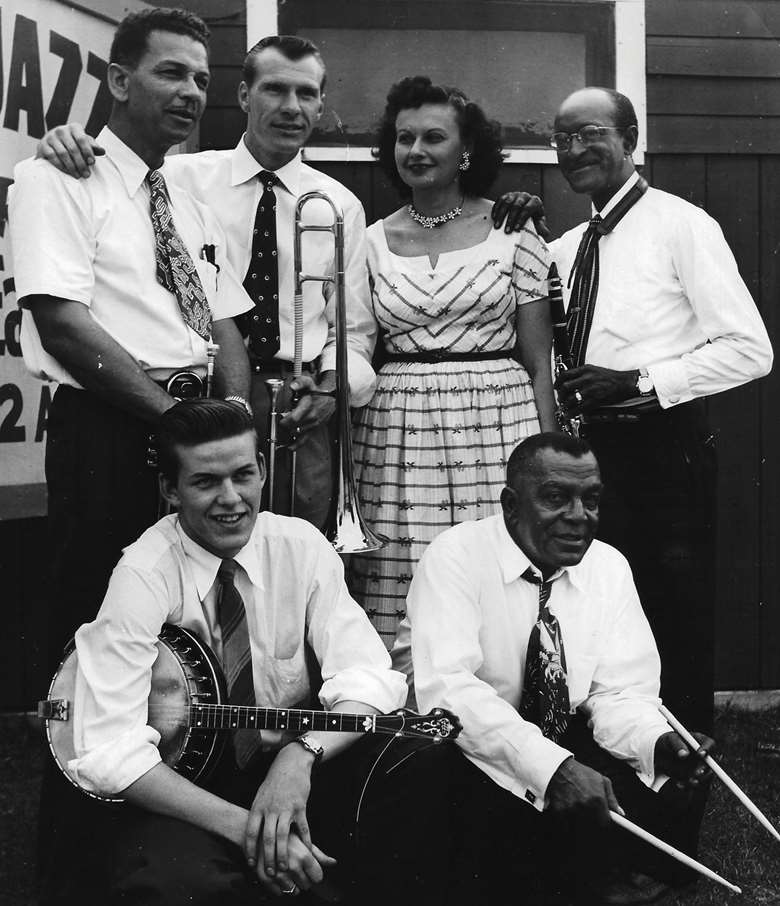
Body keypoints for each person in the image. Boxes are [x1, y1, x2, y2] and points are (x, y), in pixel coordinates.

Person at [53, 398, 454, 905]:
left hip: (299, 766)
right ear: (169, 489)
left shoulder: (300, 545)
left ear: (263, 469)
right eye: (205, 482)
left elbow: (367, 677)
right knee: (177, 883)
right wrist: (253, 829)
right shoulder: (142, 573)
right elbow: (108, 749)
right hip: (187, 787)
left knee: (418, 765)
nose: (231, 498)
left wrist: (300, 755)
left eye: (243, 474)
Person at [35, 35, 377, 532]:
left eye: (307, 94)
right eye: (274, 90)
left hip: (298, 406)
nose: (291, 107)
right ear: (243, 96)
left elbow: (356, 330)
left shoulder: (339, 204)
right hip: (201, 394)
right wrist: (62, 139)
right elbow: (114, 166)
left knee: (296, 552)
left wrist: (329, 390)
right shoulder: (177, 177)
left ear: (322, 104)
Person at [8, 7, 252, 669]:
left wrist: (235, 419)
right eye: (171, 73)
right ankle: (82, 772)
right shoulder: (56, 178)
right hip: (109, 431)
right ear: (118, 81)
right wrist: (175, 418)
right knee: (98, 623)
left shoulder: (191, 203)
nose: (192, 93)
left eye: (201, 79)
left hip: (194, 428)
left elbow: (216, 315)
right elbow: (60, 324)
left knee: (189, 627)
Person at [392, 432, 715, 905]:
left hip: (549, 730)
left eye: (592, 500)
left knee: (664, 766)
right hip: (452, 740)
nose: (580, 517)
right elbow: (451, 695)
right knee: (484, 790)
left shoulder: (608, 566)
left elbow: (618, 692)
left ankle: (586, 870)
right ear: (510, 505)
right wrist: (553, 768)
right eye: (556, 498)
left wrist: (656, 741)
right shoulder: (455, 555)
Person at [546, 87, 773, 732]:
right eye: (561, 140)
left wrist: (640, 381)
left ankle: (680, 772)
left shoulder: (683, 225)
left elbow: (750, 351)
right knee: (597, 612)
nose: (574, 150)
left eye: (589, 134)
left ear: (629, 138)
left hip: (663, 448)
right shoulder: (566, 246)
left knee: (671, 617)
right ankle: (611, 758)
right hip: (592, 454)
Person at [349, 76, 557, 648]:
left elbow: (540, 361)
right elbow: (357, 343)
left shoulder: (516, 231)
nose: (416, 151)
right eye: (404, 138)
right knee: (402, 563)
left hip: (499, 419)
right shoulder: (368, 241)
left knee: (495, 562)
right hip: (399, 429)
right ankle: (405, 715)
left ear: (466, 151)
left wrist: (548, 452)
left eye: (433, 138)